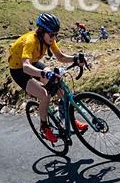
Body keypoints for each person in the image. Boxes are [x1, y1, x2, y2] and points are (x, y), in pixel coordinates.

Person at [8, 13, 88, 143]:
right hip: (19, 70)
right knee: (44, 95)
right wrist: (44, 74)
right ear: (42, 32)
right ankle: (44, 126)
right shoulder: (30, 41)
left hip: (33, 62)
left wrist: (75, 58)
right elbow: (26, 67)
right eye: (51, 35)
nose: (54, 37)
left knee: (57, 81)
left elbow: (60, 57)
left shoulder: (48, 39)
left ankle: (69, 119)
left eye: (56, 34)